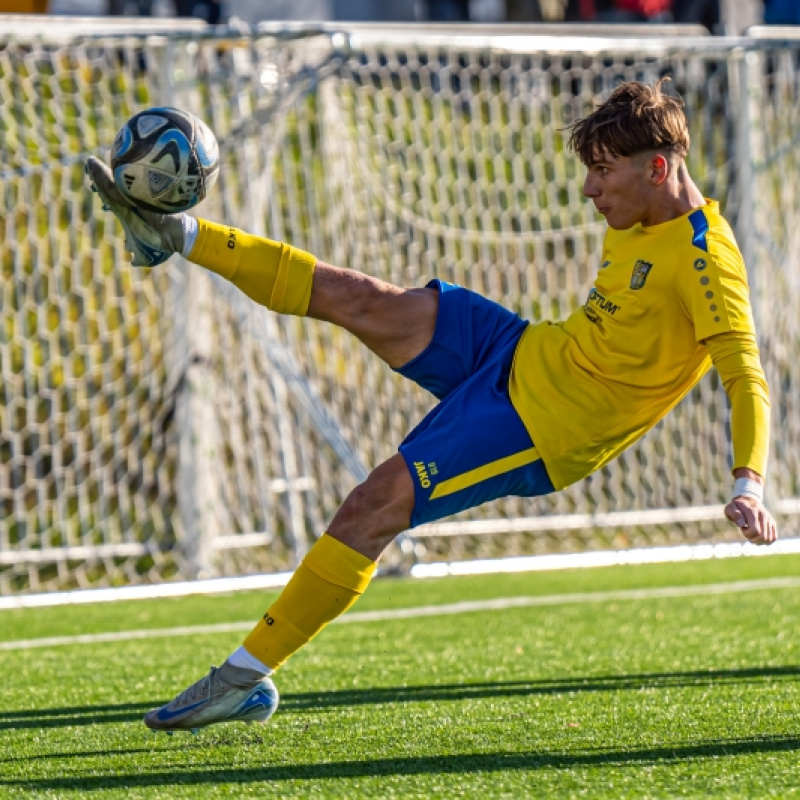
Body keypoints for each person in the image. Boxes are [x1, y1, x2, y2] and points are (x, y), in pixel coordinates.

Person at [85, 77, 777, 733]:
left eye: (604, 172)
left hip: (546, 425)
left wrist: (748, 481)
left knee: (372, 503)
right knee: (360, 296)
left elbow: (745, 375)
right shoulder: (639, 212)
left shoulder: (704, 258)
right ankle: (176, 235)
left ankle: (242, 680)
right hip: (524, 351)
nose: (589, 189)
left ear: (656, 171)